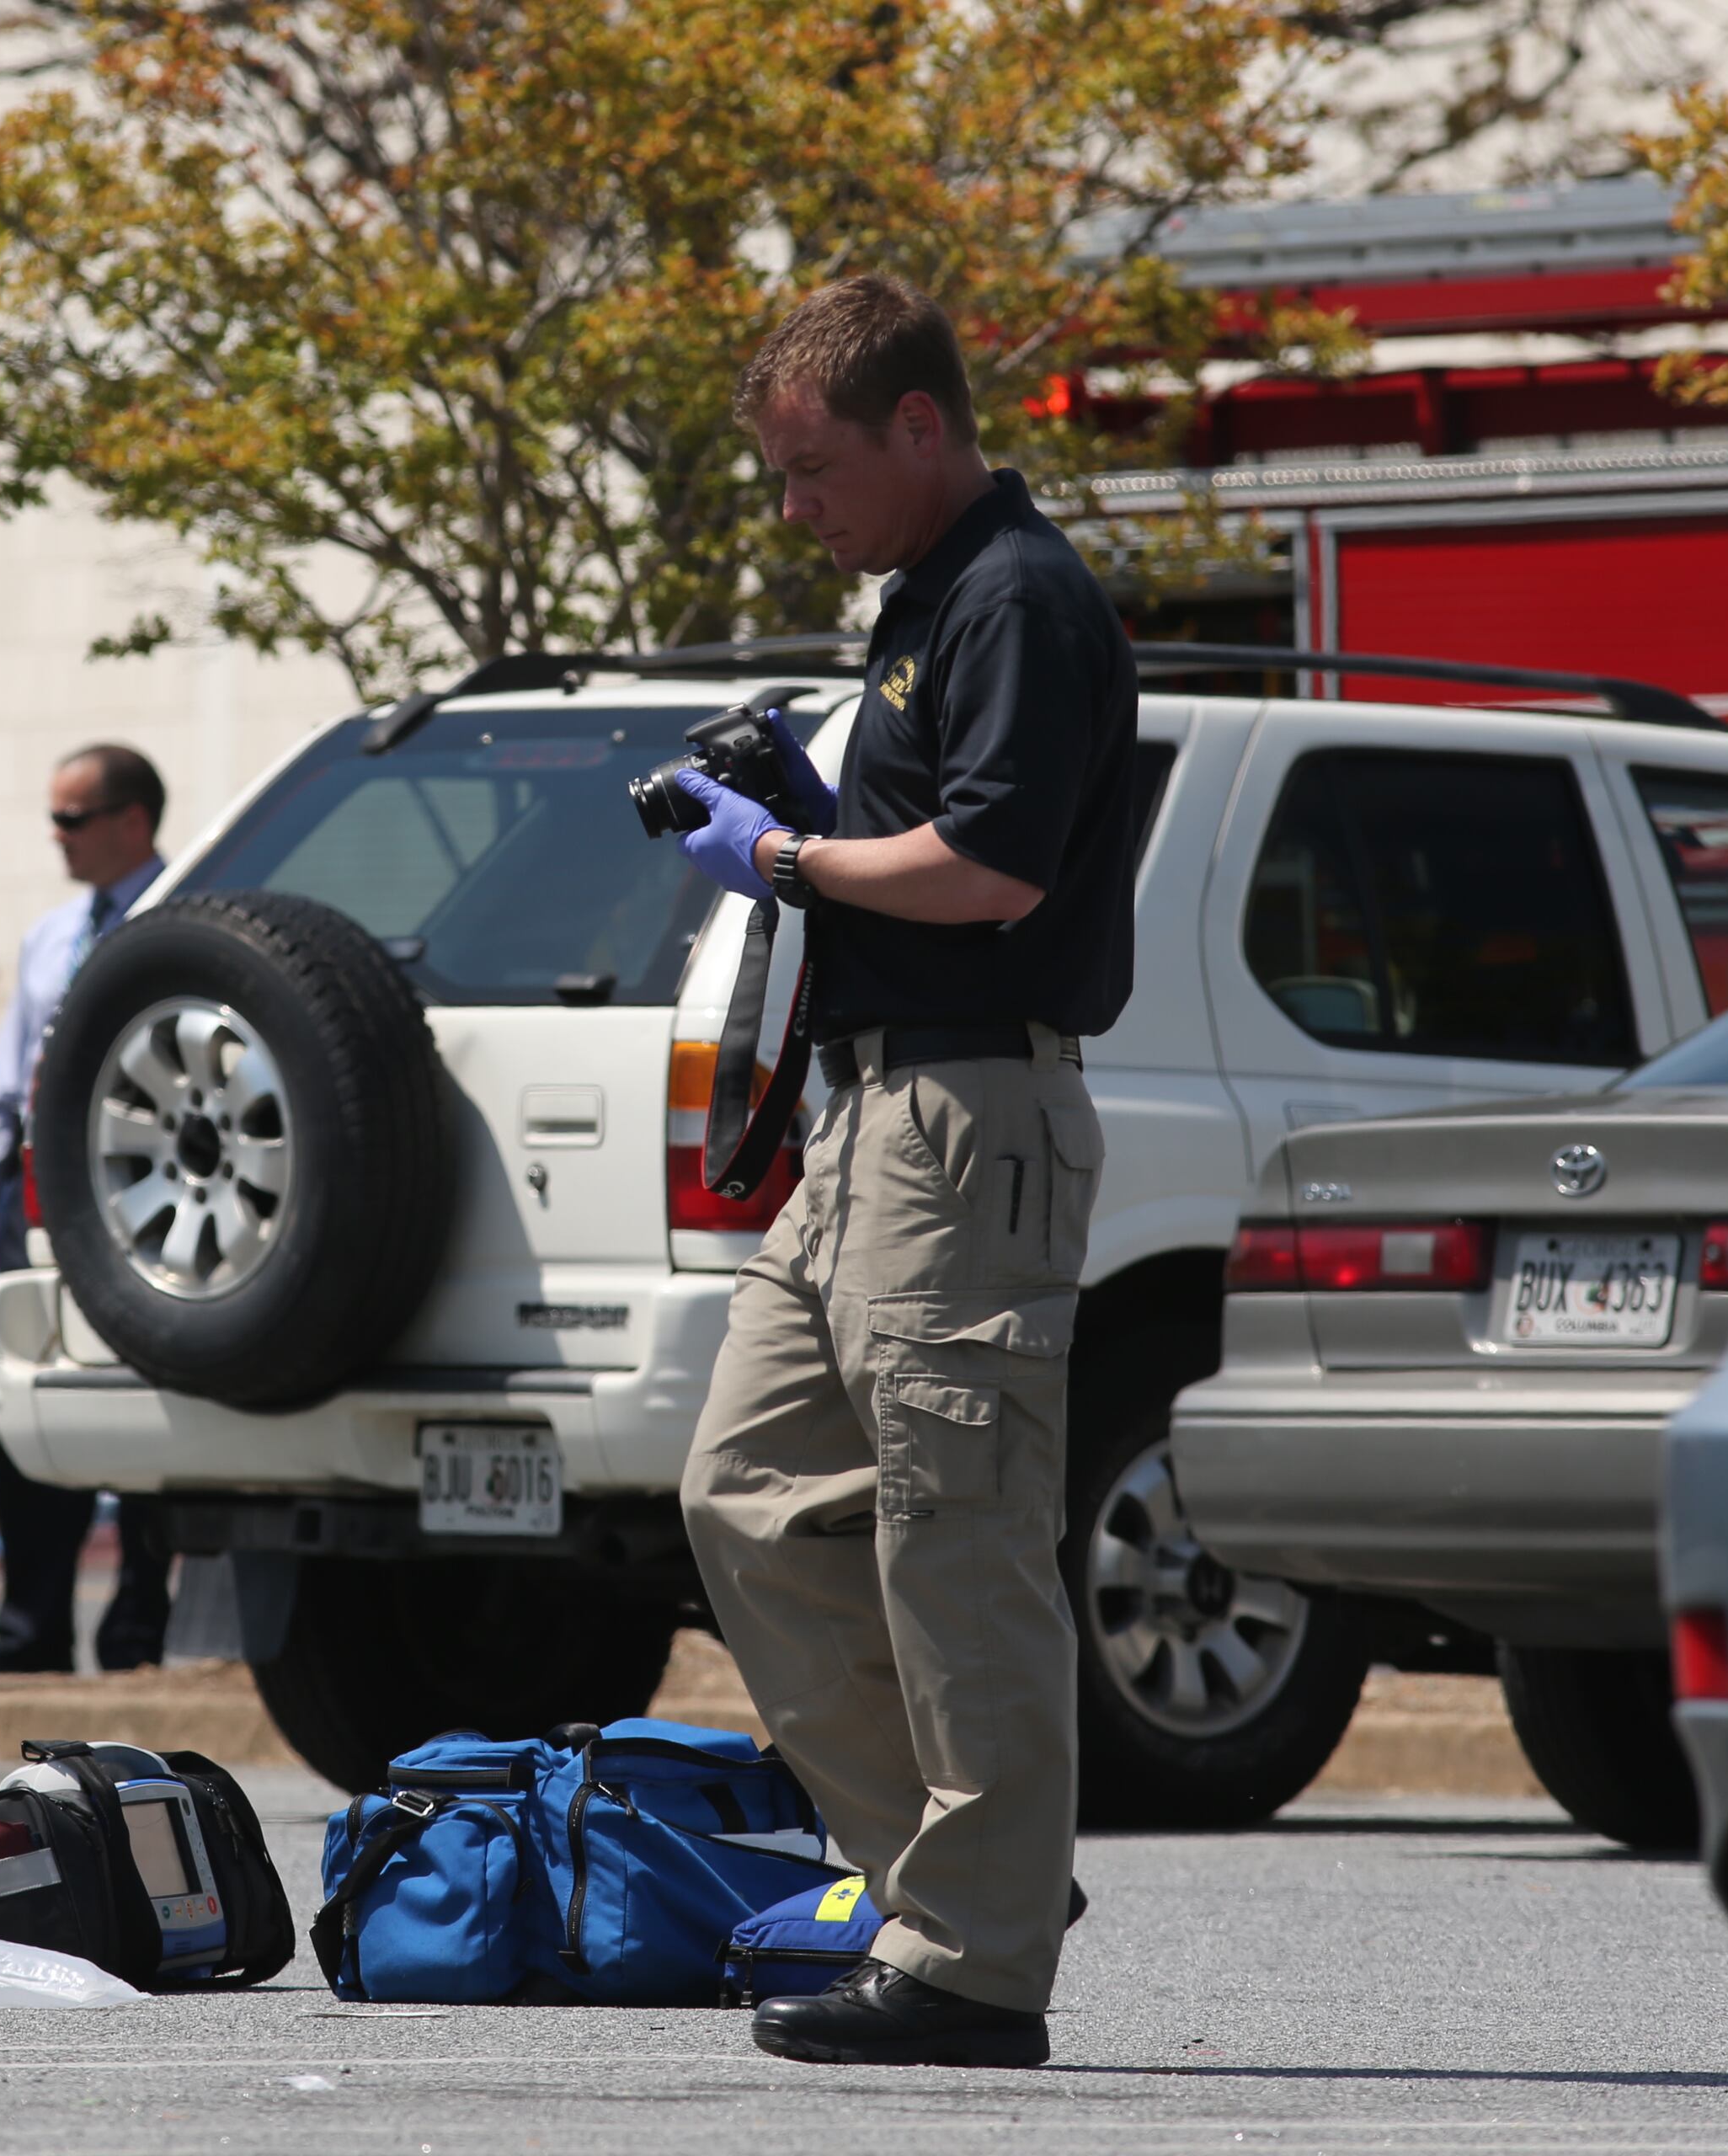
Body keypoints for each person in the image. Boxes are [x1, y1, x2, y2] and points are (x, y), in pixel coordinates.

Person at [671, 276, 1138, 2069]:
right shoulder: (926, 604)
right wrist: (808, 812)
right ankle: (978, 1878)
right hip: (865, 1122)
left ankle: (976, 1966)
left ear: (922, 426)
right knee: (746, 1496)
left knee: (959, 1542)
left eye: (815, 470)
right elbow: (928, 848)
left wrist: (786, 857)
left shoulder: (1014, 595)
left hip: (967, 1122)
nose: (796, 507)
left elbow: (994, 872)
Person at [0, 744, 179, 1674]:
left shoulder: (186, 913)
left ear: (133, 821)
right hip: (40, 1202)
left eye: (72, 818)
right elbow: (5, 1083)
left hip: (149, 1201)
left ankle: (139, 1632)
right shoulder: (50, 936)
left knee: (155, 1412)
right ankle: (28, 1630)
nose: (57, 836)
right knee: (31, 1402)